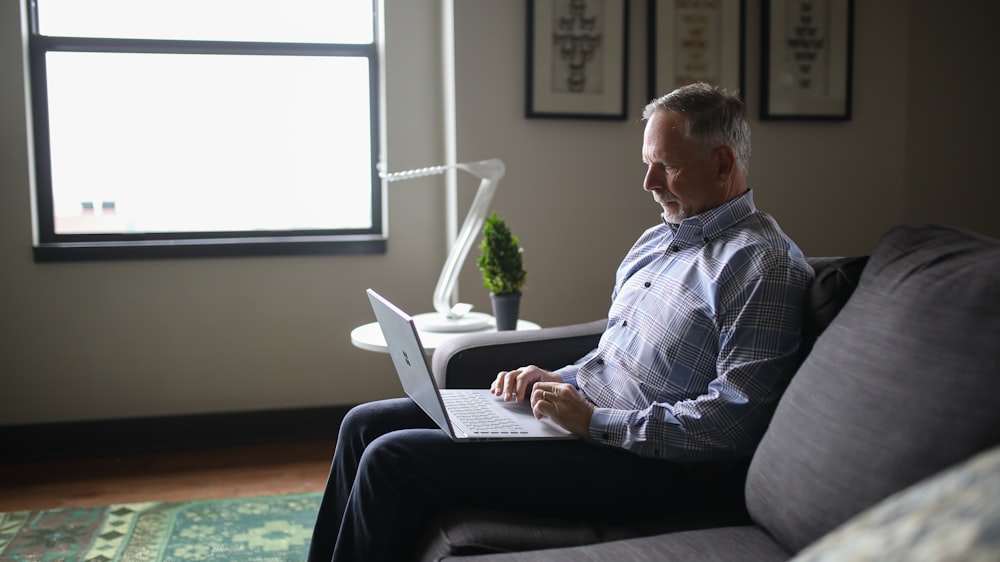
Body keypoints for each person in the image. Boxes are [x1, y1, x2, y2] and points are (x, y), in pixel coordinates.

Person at [307, 82, 815, 561]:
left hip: (647, 464)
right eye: (647, 164)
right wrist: (556, 381)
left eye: (667, 166)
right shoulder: (657, 242)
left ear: (723, 162)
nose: (648, 182)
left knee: (392, 459)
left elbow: (734, 421)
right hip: (583, 427)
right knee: (364, 423)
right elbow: (613, 356)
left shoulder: (762, 265)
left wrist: (593, 423)